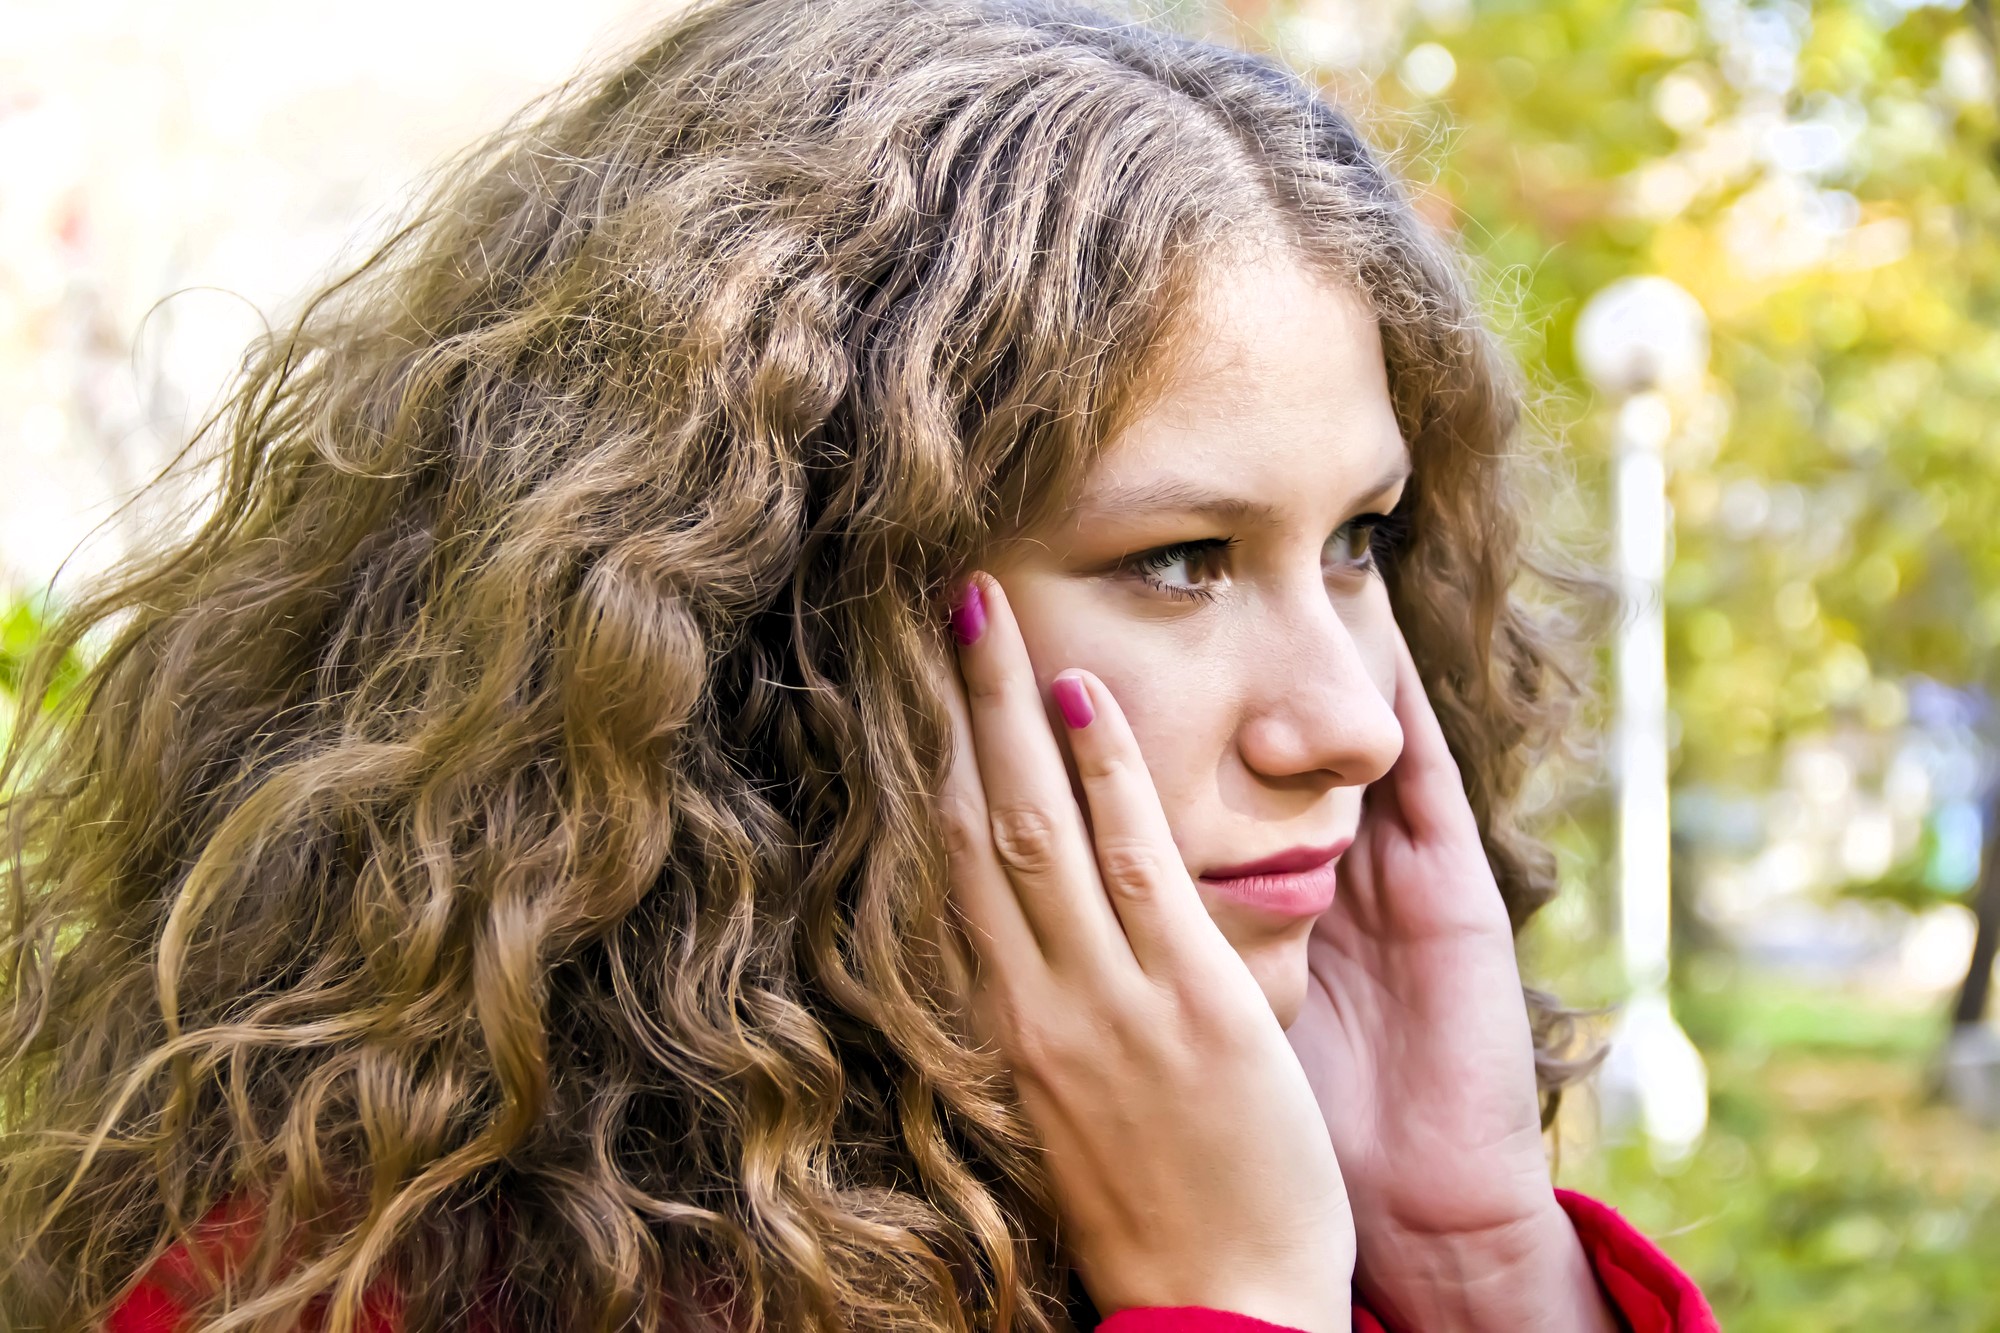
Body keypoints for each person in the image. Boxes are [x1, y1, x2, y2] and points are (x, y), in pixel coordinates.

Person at [0, 0, 1720, 1329]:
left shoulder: (1312, 1197)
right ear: (774, 617)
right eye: (1179, 561)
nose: (1348, 717)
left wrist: (1478, 1255)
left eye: (1356, 542)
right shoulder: (347, 1276)